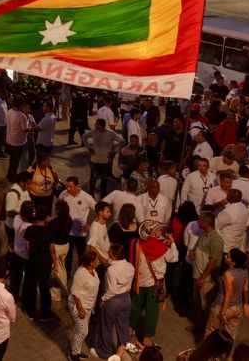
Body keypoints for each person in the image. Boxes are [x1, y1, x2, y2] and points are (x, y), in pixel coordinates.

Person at [131, 220, 177, 348]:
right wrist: (172, 243)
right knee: (152, 311)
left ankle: (130, 328)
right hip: (155, 284)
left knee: (135, 306)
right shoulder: (160, 247)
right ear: (151, 232)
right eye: (157, 230)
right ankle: (147, 338)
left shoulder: (136, 243)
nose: (159, 232)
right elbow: (174, 258)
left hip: (138, 281)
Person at [90, 243, 133, 358]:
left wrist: (103, 299)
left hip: (113, 301)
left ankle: (104, 352)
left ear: (114, 255)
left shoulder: (112, 270)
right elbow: (129, 285)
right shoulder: (130, 266)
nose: (107, 253)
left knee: (105, 327)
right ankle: (123, 351)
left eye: (109, 251)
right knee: (123, 327)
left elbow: (111, 290)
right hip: (126, 299)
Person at [191, 211, 223, 338]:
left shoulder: (216, 240)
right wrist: (194, 251)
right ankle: (199, 326)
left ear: (206, 223)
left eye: (199, 220)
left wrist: (202, 278)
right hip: (198, 276)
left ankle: (206, 332)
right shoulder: (205, 235)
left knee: (205, 306)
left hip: (206, 279)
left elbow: (213, 261)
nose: (197, 222)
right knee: (198, 303)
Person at [207, 248, 249, 339]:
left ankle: (207, 352)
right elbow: (246, 290)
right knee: (231, 333)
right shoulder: (245, 271)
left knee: (212, 331)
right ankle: (227, 352)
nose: (225, 256)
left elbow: (229, 294)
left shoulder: (228, 274)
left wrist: (223, 312)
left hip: (223, 306)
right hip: (237, 307)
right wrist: (246, 303)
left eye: (228, 256)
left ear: (233, 263)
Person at [68, 250, 101, 361]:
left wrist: (94, 303)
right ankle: (73, 355)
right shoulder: (80, 274)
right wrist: (80, 309)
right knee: (83, 331)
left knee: (78, 328)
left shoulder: (94, 271)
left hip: (88, 305)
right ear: (91, 262)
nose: (98, 261)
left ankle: (74, 349)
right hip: (78, 305)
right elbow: (75, 293)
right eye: (96, 259)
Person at [59, 177, 95, 275]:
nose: (68, 189)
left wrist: (90, 225)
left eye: (71, 186)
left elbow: (98, 210)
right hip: (67, 231)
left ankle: (81, 274)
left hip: (80, 233)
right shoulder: (63, 195)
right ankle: (67, 274)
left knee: (81, 255)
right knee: (68, 255)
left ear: (77, 186)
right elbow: (59, 208)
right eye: (67, 186)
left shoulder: (87, 197)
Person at [87, 118, 121, 197]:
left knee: (104, 180)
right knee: (93, 179)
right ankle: (91, 195)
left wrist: (115, 151)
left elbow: (122, 141)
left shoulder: (110, 133)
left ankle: (103, 196)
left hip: (105, 162)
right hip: (94, 161)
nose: (95, 125)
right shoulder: (93, 132)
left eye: (97, 124)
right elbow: (84, 136)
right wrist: (88, 147)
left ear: (101, 126)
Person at [25, 152, 58, 217]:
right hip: (35, 198)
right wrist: (28, 193)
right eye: (48, 160)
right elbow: (26, 181)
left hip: (48, 197)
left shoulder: (51, 168)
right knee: (36, 215)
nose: (49, 162)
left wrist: (50, 181)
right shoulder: (32, 169)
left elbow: (56, 179)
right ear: (42, 161)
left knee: (47, 215)